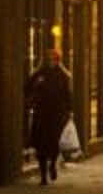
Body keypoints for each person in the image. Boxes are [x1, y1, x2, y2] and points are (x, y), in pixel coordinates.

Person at [26, 49, 72, 185]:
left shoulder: (63, 75)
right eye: (48, 59)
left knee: (53, 142)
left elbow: (68, 95)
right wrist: (36, 84)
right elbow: (27, 89)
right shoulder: (39, 73)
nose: (51, 61)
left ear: (58, 60)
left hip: (56, 114)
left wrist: (70, 111)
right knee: (40, 144)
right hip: (41, 113)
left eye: (53, 59)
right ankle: (43, 176)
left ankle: (52, 163)